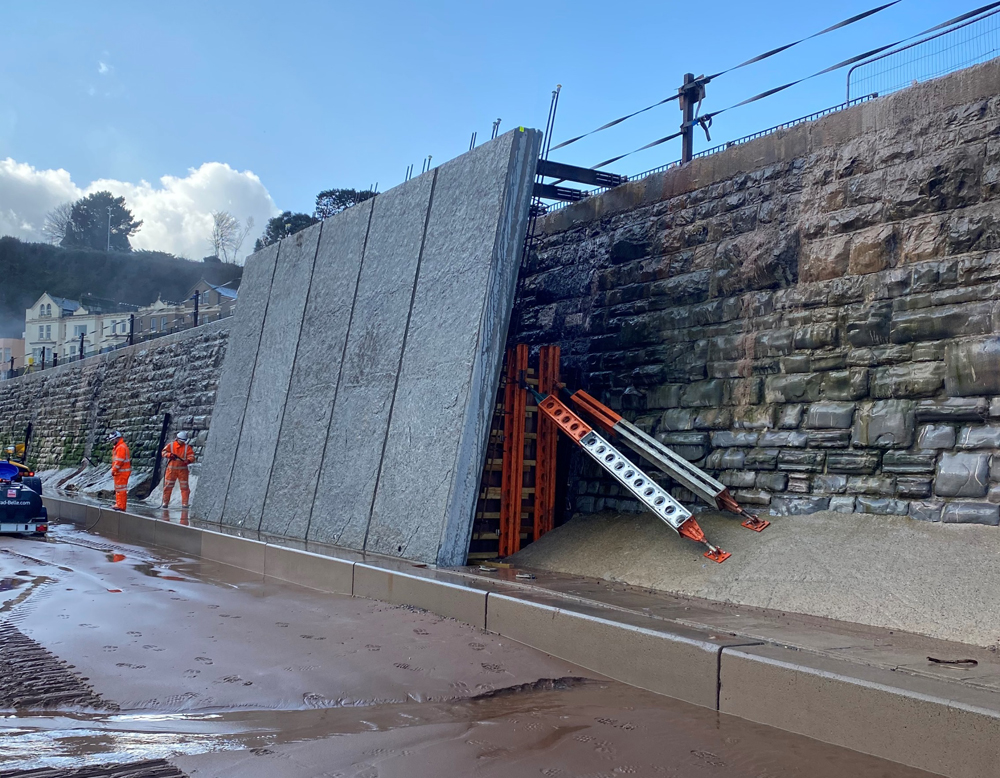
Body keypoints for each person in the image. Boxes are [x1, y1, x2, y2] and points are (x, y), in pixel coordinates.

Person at [160, 430, 196, 509]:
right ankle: (165, 502)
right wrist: (169, 455)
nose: (182, 443)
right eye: (181, 441)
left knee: (184, 487)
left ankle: (185, 504)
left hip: (182, 471)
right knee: (168, 487)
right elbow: (163, 452)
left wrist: (188, 460)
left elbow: (192, 456)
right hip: (171, 470)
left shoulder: (187, 448)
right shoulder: (171, 445)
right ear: (177, 439)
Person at [108, 431, 131, 511]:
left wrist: (114, 469)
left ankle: (121, 505)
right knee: (119, 489)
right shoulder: (120, 446)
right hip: (120, 472)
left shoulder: (121, 447)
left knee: (121, 490)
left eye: (112, 440)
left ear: (117, 438)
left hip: (121, 472)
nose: (112, 442)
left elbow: (119, 461)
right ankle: (119, 504)